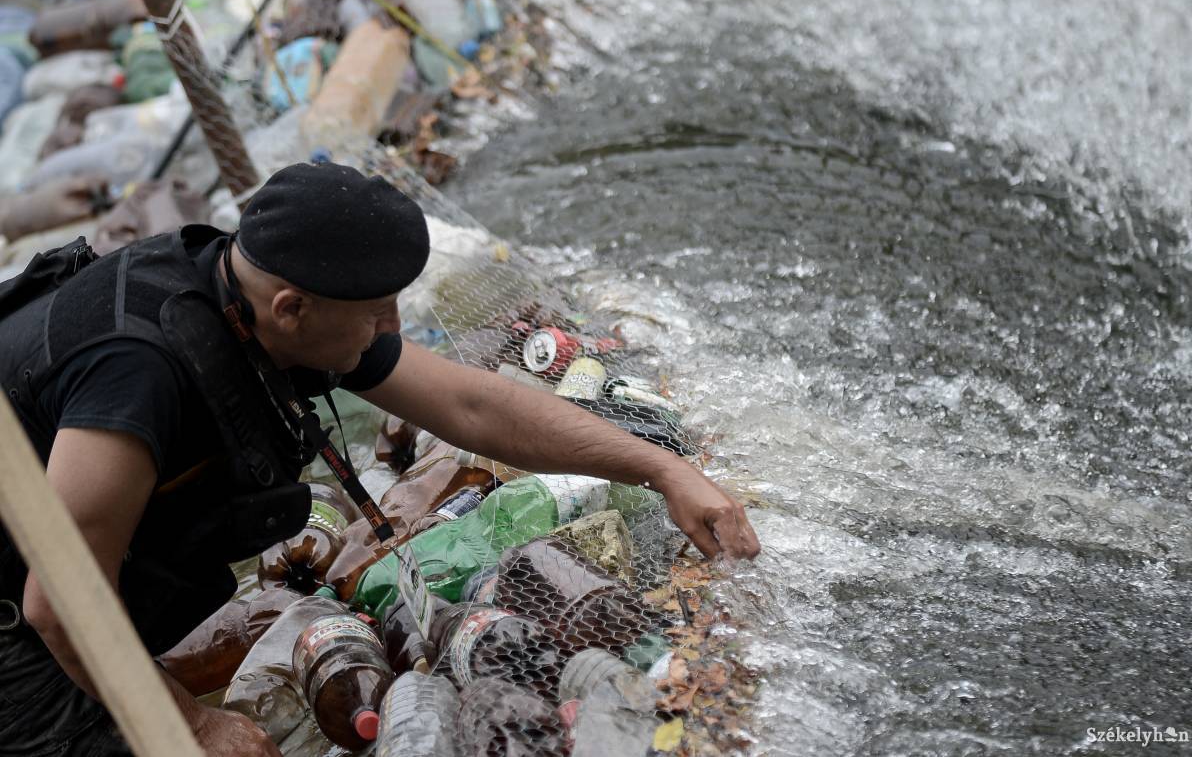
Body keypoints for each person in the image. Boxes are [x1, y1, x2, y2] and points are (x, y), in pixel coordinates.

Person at [0, 162, 759, 755]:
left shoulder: (251, 301)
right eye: (377, 314)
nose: (393, 327)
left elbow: (472, 406)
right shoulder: (140, 370)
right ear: (292, 307)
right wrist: (191, 727)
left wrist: (662, 469)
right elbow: (59, 601)